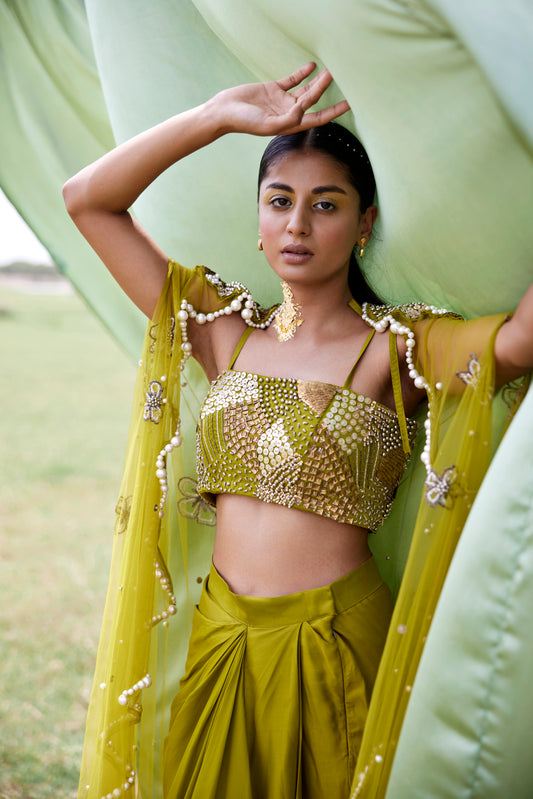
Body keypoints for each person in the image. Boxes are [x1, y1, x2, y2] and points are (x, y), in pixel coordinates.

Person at [63, 63, 533, 799]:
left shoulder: (397, 348)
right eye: (279, 201)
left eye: (326, 204)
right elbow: (87, 201)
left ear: (364, 222)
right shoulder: (221, 332)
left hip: (334, 643)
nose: (297, 224)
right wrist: (216, 115)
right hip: (220, 639)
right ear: (256, 218)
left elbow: (517, 344)